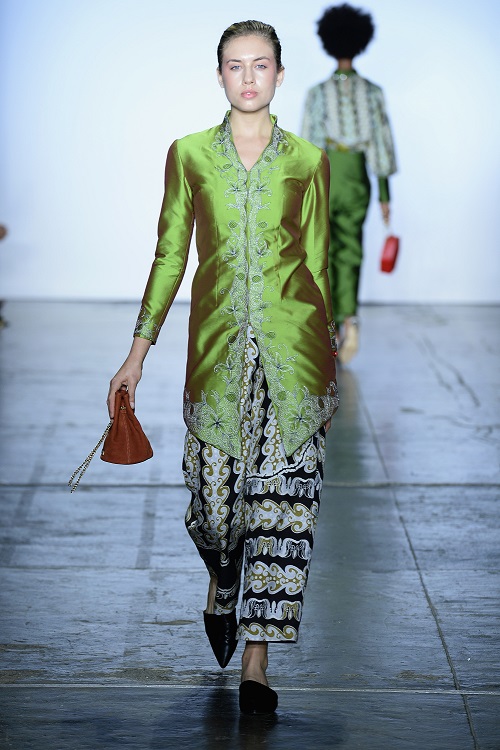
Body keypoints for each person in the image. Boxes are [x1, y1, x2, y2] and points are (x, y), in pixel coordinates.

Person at [107, 20, 338, 715]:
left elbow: (320, 266)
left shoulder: (309, 161)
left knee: (280, 510)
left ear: (279, 74)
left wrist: (329, 360)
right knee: (214, 511)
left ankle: (256, 665)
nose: (247, 77)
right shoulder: (188, 156)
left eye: (260, 65)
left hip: (294, 362)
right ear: (219, 76)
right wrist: (136, 354)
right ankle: (221, 575)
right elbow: (170, 255)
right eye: (234, 66)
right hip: (214, 360)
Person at [301, 3, 397, 364]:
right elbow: (382, 142)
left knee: (322, 251)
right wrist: (386, 193)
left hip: (326, 174)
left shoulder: (317, 92)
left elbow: (308, 144)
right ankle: (348, 320)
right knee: (350, 250)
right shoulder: (373, 92)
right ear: (360, 42)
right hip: (357, 176)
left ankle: (329, 328)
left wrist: (302, 191)